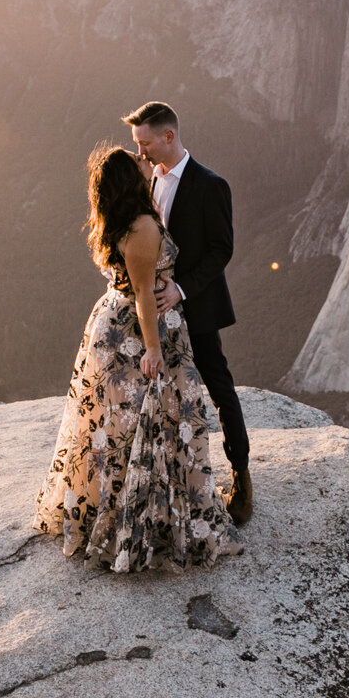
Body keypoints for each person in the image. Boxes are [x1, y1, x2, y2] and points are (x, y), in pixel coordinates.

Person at [35, 144, 241, 572]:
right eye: (138, 160)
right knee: (162, 420)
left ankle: (115, 508)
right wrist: (152, 348)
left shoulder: (116, 219)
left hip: (113, 324)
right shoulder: (144, 226)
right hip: (139, 330)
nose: (146, 159)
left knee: (121, 426)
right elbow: (145, 292)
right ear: (131, 179)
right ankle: (152, 524)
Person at [124, 101, 252, 524]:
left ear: (168, 136)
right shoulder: (146, 180)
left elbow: (222, 250)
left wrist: (180, 290)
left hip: (194, 306)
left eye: (144, 143)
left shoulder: (210, 185)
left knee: (218, 384)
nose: (139, 152)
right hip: (154, 312)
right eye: (135, 144)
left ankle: (242, 473)